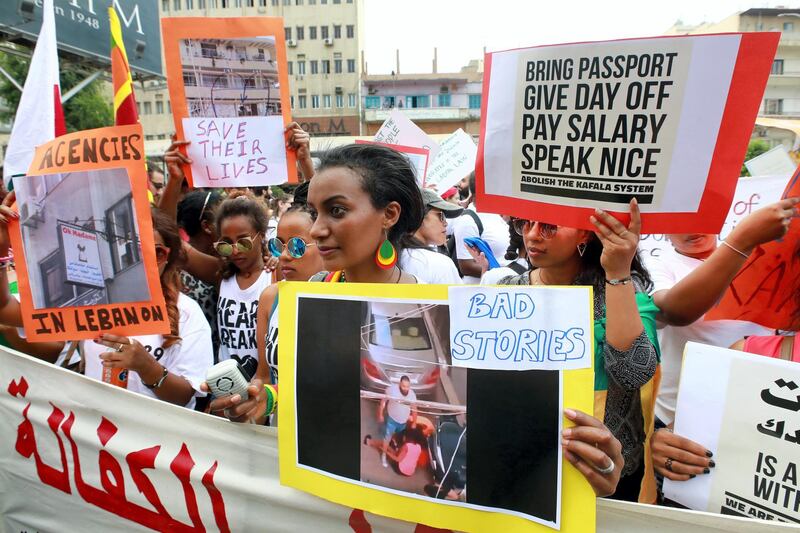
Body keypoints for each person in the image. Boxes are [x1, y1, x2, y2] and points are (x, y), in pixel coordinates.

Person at [497, 200, 659, 502]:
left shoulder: (621, 291)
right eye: (525, 223)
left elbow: (632, 372)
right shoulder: (506, 292)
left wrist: (618, 273)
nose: (532, 236)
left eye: (548, 227)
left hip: (606, 474)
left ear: (585, 234)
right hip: (527, 465)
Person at [0, 207, 213, 409]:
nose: (144, 261)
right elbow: (5, 308)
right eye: (134, 249)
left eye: (156, 253)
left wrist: (147, 367)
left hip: (150, 441)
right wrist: (1, 248)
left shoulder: (187, 313)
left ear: (169, 258)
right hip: (96, 434)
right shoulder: (91, 303)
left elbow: (185, 396)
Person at [645, 198, 797, 431]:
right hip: (679, 415)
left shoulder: (761, 260)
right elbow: (672, 311)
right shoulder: (656, 266)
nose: (693, 229)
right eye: (680, 222)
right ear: (663, 230)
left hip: (757, 404)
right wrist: (741, 242)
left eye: (702, 218)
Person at [176, 190, 225, 361]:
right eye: (223, 216)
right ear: (206, 225)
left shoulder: (234, 261)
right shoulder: (174, 266)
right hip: (190, 362)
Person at [450, 172, 510, 283]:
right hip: (483, 290)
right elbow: (466, 266)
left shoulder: (497, 214)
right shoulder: (468, 220)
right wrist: (506, 275)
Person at [400, 188, 462, 285]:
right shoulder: (441, 263)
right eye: (441, 215)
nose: (446, 223)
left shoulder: (388, 259)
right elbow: (461, 299)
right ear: (419, 216)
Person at [378, 375, 418, 467]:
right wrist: (380, 414)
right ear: (400, 384)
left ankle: (395, 452)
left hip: (403, 422)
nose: (406, 388)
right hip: (391, 419)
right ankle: (384, 455)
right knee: (387, 438)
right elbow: (383, 401)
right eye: (404, 386)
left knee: (399, 439)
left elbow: (414, 408)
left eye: (407, 386)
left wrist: (414, 422)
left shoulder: (412, 394)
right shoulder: (392, 390)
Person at [363, 425, 427, 476]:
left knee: (386, 445)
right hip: (410, 472)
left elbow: (398, 459)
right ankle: (373, 444)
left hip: (399, 469)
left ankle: (369, 442)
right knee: (391, 447)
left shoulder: (407, 446)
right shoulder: (419, 447)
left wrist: (386, 452)